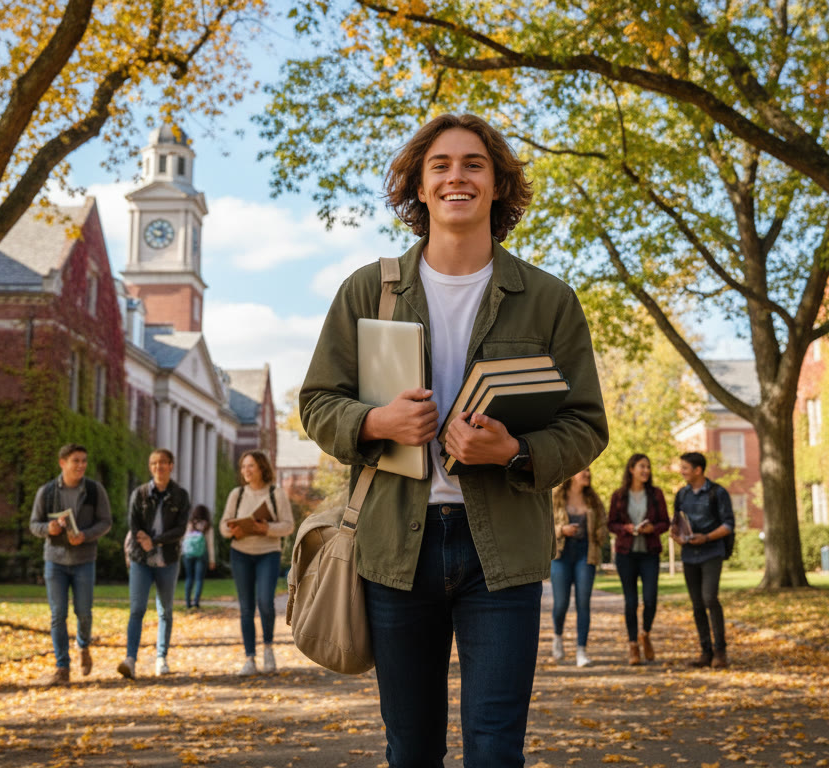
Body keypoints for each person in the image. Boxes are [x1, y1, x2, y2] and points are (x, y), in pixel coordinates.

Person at [299, 113, 608, 767]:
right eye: (439, 165)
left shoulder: (549, 299)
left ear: (498, 186)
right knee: (411, 749)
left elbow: (586, 424)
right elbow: (318, 403)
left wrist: (516, 452)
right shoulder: (368, 289)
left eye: (473, 164)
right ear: (418, 185)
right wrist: (375, 423)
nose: (456, 177)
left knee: (496, 750)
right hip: (394, 547)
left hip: (502, 552)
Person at [29, 443, 112, 685]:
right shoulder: (46, 492)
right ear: (62, 463)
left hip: (84, 560)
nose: (81, 465)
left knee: (83, 612)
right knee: (58, 615)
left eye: (84, 461)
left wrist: (85, 535)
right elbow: (34, 524)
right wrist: (49, 528)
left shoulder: (95, 491)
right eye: (76, 461)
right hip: (55, 561)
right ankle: (62, 667)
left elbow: (106, 522)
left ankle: (83, 646)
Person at [220, 450, 294, 676]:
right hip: (240, 553)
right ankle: (250, 658)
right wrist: (233, 531)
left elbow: (289, 525)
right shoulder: (237, 494)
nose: (246, 471)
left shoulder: (276, 494)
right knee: (246, 607)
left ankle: (269, 648)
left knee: (265, 602)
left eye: (250, 466)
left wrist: (267, 529)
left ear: (262, 467)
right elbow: (223, 526)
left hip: (268, 554)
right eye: (243, 467)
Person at [118, 448, 191, 679]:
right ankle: (130, 659)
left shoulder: (180, 495)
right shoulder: (139, 494)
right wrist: (144, 542)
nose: (158, 467)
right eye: (154, 463)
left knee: (165, 610)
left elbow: (180, 529)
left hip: (168, 559)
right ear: (150, 467)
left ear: (171, 466)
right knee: (137, 608)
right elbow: (133, 523)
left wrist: (156, 541)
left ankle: (162, 657)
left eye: (163, 463)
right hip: (141, 558)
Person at [671, 451, 735, 669]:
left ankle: (720, 651)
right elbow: (676, 523)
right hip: (689, 555)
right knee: (697, 604)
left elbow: (728, 525)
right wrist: (677, 536)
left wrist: (706, 537)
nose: (682, 471)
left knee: (709, 598)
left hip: (711, 553)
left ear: (698, 470)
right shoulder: (681, 495)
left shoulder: (718, 493)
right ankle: (705, 652)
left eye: (685, 468)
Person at [606, 453, 669, 666]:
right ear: (631, 468)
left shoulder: (656, 494)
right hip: (626, 554)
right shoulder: (619, 495)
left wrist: (653, 528)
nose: (646, 471)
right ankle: (633, 644)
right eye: (642, 466)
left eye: (648, 467)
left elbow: (665, 522)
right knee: (631, 601)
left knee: (650, 599)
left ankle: (646, 633)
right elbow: (611, 523)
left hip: (649, 553)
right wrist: (626, 528)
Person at [550, 468, 607, 668]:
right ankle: (557, 637)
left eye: (590, 471)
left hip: (585, 554)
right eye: (584, 471)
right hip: (561, 555)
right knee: (561, 604)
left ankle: (581, 651)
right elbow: (544, 523)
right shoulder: (556, 496)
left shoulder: (593, 499)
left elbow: (603, 524)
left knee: (583, 603)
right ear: (572, 473)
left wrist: (599, 535)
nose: (588, 474)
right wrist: (561, 530)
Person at [181, 504, 216, 609]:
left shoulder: (190, 524)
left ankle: (187, 602)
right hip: (201, 554)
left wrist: (181, 553)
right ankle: (196, 602)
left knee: (189, 578)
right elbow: (210, 544)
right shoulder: (208, 526)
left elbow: (183, 540)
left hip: (188, 554)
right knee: (199, 579)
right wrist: (212, 560)